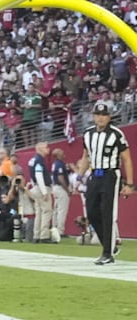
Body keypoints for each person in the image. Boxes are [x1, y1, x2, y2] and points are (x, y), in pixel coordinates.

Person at [77, 101, 134, 265]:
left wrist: (129, 184)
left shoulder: (117, 134)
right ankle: (110, 245)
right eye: (98, 115)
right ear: (93, 116)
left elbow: (127, 160)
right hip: (94, 175)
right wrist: (79, 177)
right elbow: (85, 157)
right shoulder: (88, 134)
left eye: (104, 115)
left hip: (110, 175)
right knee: (92, 212)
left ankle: (107, 253)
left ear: (109, 117)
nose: (100, 118)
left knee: (107, 213)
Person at [27, 142, 53, 243]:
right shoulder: (39, 161)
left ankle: (36, 235)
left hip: (36, 188)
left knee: (38, 213)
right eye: (46, 147)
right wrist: (44, 192)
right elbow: (39, 176)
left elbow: (33, 177)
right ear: (40, 149)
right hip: (42, 188)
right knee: (46, 211)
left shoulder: (32, 160)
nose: (48, 149)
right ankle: (44, 236)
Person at [50, 148, 72, 239]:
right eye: (62, 153)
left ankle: (54, 228)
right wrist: (67, 190)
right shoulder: (59, 164)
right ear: (58, 155)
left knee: (56, 210)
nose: (64, 154)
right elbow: (61, 178)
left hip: (55, 187)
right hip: (61, 188)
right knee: (62, 210)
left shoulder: (55, 164)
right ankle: (60, 230)